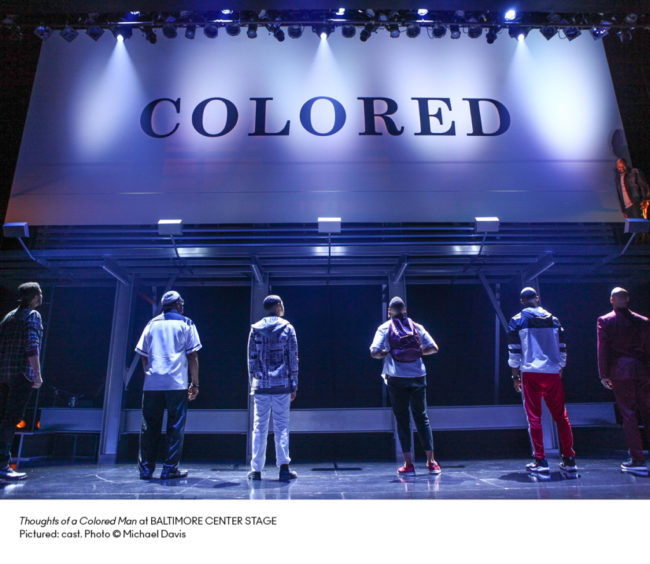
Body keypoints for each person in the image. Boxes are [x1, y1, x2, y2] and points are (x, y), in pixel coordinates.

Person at [507, 287, 577, 473]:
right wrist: (560, 366)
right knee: (561, 417)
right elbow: (563, 347)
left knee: (534, 417)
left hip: (531, 372)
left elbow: (514, 351)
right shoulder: (554, 319)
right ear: (537, 298)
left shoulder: (517, 320)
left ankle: (540, 460)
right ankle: (569, 459)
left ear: (522, 300)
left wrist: (515, 376)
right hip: (552, 372)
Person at [370, 296, 441, 476]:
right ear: (405, 310)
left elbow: (374, 352)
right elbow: (434, 348)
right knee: (422, 418)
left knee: (402, 420)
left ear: (389, 312)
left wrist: (388, 353)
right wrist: (418, 352)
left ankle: (408, 464)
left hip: (396, 378)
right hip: (418, 376)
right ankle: (431, 462)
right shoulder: (417, 326)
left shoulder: (384, 328)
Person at [135, 290, 201, 480]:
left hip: (152, 383)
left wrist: (149, 376)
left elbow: (143, 355)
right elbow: (193, 356)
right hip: (176, 383)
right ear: (178, 305)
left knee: (149, 428)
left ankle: (146, 470)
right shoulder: (186, 323)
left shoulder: (151, 324)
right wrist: (195, 383)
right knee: (175, 427)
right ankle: (169, 469)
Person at [597, 287, 650, 476]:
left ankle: (637, 459)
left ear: (612, 300)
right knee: (647, 412)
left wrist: (603, 374)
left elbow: (603, 349)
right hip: (643, 371)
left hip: (621, 371)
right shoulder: (643, 321)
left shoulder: (605, 320)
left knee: (628, 415)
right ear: (627, 299)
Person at [247, 295, 299, 481]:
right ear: (278, 306)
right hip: (282, 385)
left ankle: (256, 470)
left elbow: (251, 360)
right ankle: (284, 468)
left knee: (259, 427)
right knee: (282, 426)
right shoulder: (288, 328)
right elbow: (292, 358)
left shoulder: (255, 329)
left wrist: (253, 383)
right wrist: (294, 383)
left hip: (261, 385)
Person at [0, 282, 44, 481]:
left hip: (3, 375)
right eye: (40, 293)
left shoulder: (8, 317)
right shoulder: (32, 315)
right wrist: (37, 373)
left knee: (3, 419)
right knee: (10, 420)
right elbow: (31, 344)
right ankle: (3, 464)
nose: (41, 296)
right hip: (20, 375)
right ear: (34, 296)